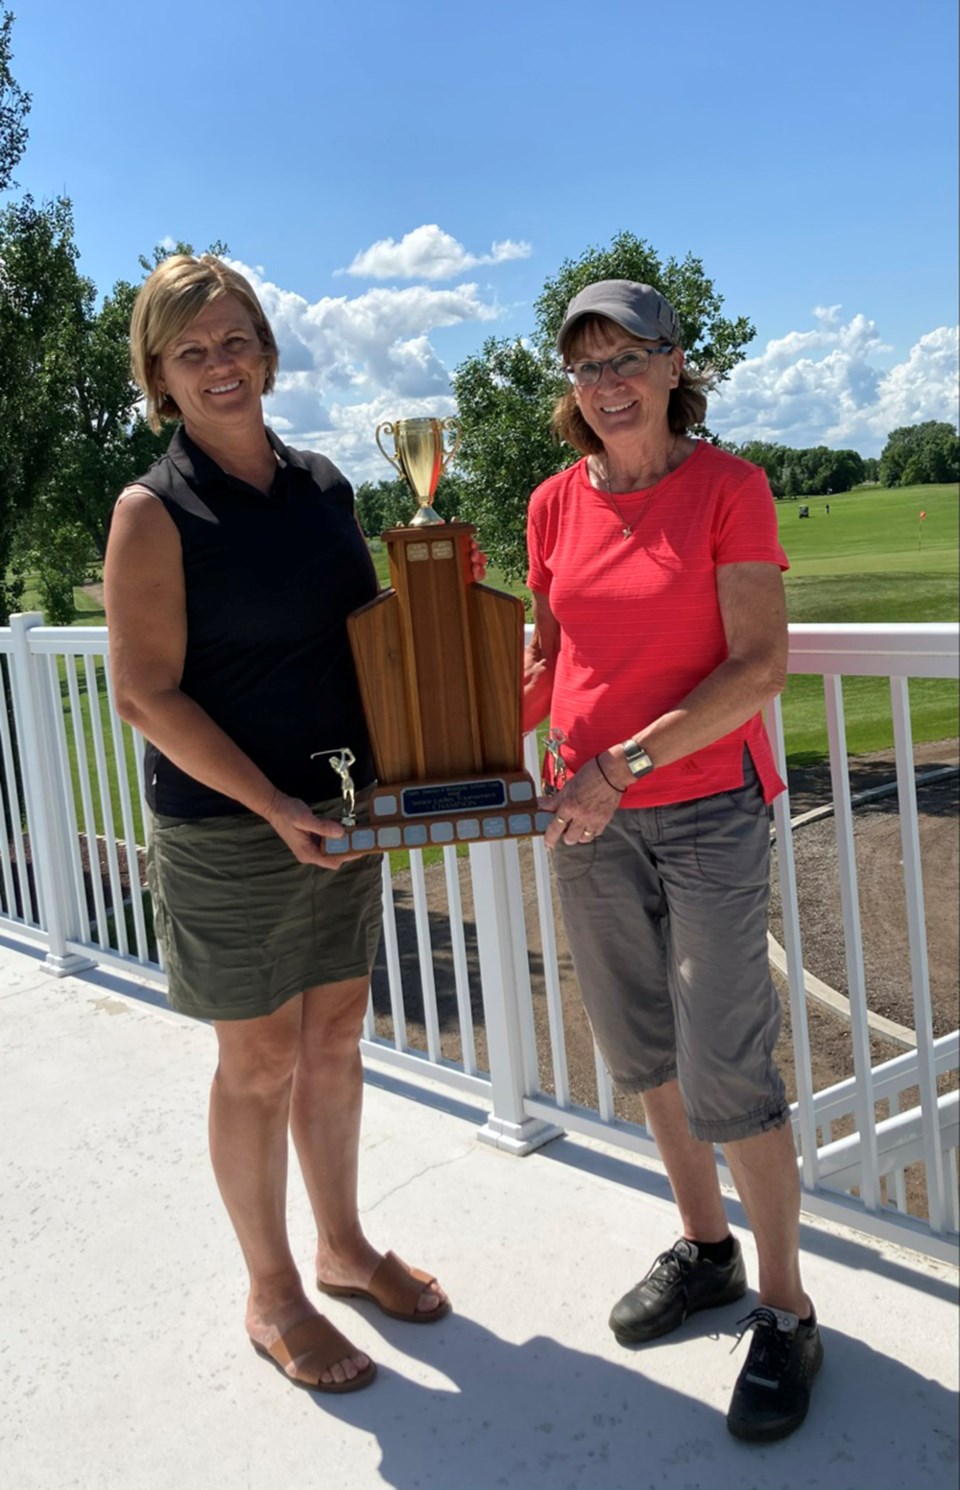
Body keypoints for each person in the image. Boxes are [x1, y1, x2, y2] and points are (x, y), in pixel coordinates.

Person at [105, 254, 459, 1394]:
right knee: (257, 1060)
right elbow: (143, 692)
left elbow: (364, 635)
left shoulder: (323, 486)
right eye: (193, 349)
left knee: (338, 1037)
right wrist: (274, 806)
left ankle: (344, 1246)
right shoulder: (153, 510)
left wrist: (455, 637)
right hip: (230, 827)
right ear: (161, 374)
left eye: (237, 339)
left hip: (343, 815)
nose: (221, 364)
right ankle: (272, 1290)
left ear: (267, 348)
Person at [524, 279, 822, 1443]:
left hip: (702, 809)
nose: (607, 384)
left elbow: (757, 668)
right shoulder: (555, 501)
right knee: (641, 1041)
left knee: (727, 1060)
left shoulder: (728, 489)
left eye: (627, 359)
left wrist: (619, 766)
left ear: (672, 363)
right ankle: (706, 1249)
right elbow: (554, 653)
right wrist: (474, 736)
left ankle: (788, 1311)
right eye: (587, 367)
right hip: (586, 817)